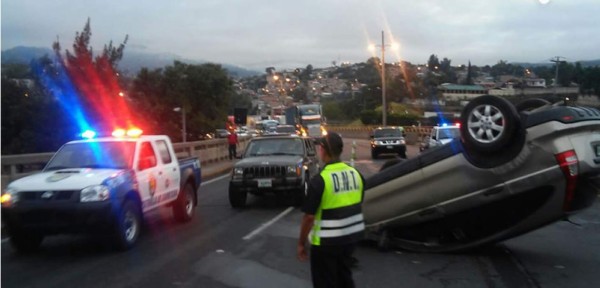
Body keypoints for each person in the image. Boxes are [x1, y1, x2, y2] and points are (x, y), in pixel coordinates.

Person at [297, 132, 365, 288]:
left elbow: (309, 217)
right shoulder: (356, 174)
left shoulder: (320, 180)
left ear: (322, 150)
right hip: (351, 238)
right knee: (344, 277)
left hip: (326, 242)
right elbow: (358, 200)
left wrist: (301, 243)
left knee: (325, 282)